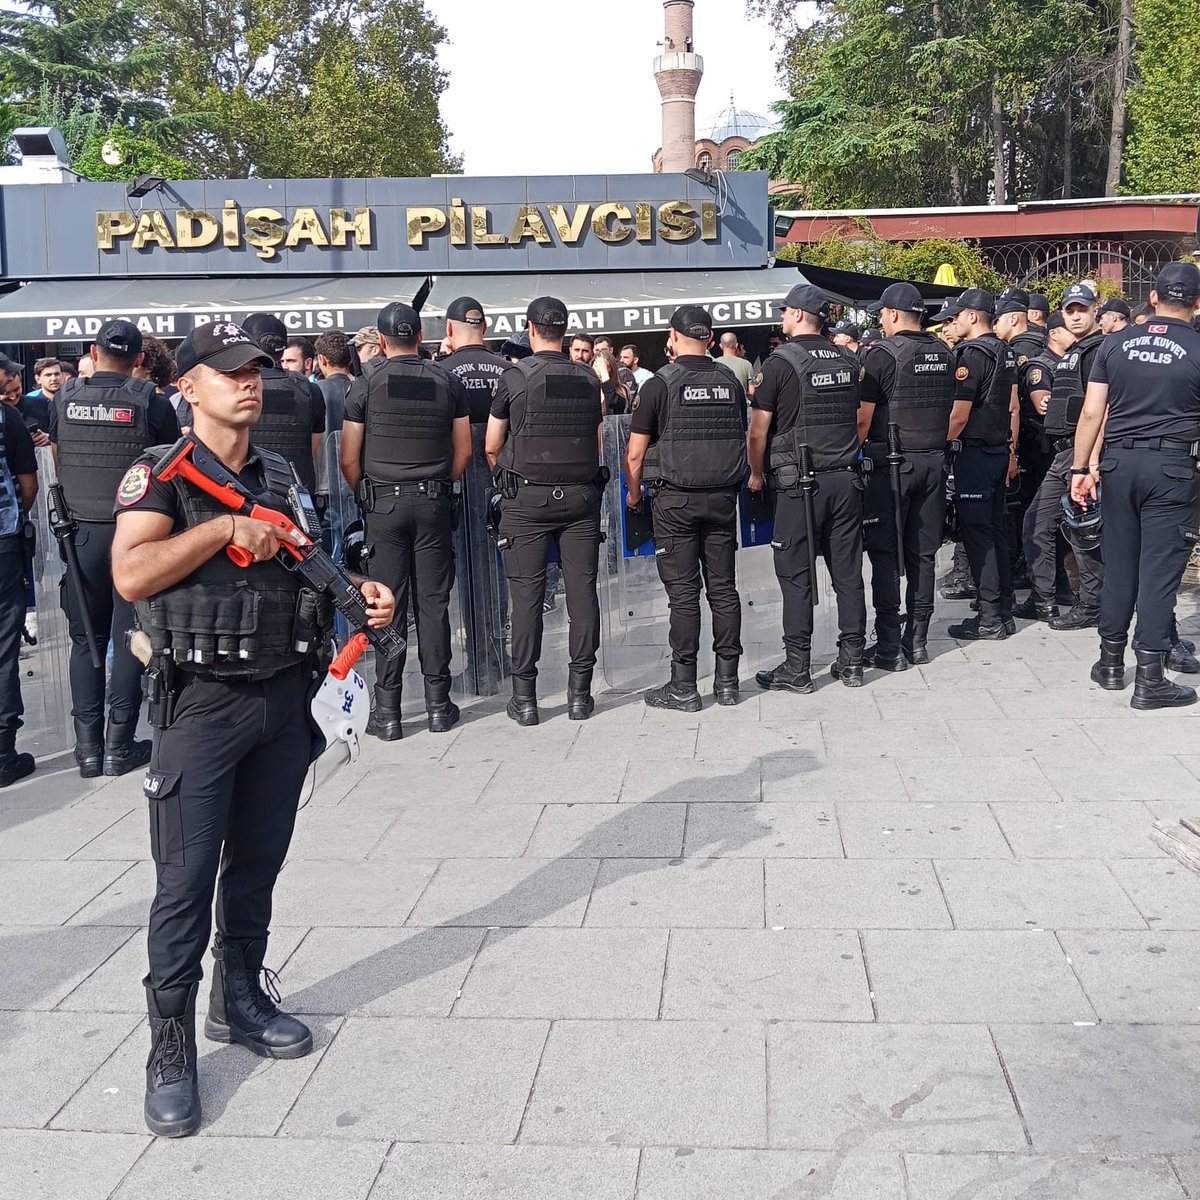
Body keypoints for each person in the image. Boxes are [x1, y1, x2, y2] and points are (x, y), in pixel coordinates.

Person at [111, 320, 394, 1137]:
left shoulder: (276, 470)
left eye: (257, 370)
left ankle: (239, 998)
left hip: (281, 695)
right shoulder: (158, 473)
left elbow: (306, 556)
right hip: (199, 704)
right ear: (189, 387)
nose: (250, 382)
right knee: (184, 880)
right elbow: (128, 573)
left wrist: (362, 591)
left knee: (258, 865)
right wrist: (219, 529)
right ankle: (169, 1045)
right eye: (230, 372)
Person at [51, 320, 180, 776]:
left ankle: (87, 750)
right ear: (140, 359)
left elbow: (60, 457)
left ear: (93, 350)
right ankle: (118, 745)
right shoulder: (152, 402)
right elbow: (169, 468)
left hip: (79, 533)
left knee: (86, 638)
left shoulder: (65, 397)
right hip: (134, 531)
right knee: (130, 637)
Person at [1071, 262, 1200, 709]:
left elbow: (1091, 413)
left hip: (1118, 463)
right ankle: (1150, 677)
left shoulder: (1114, 345)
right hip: (1173, 467)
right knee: (1160, 572)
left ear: (1153, 298)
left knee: (1120, 563)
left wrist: (1080, 469)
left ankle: (1109, 662)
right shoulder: (1198, 347)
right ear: (1198, 303)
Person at [340, 302, 472, 738]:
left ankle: (389, 711)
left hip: (383, 504)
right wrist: (439, 485)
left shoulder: (365, 384)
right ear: (420, 336)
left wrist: (366, 494)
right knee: (433, 604)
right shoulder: (446, 380)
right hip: (433, 501)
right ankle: (439, 705)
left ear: (380, 342)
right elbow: (464, 452)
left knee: (384, 606)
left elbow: (348, 458)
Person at [486, 297, 604, 725]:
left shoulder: (515, 377)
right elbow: (596, 437)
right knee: (582, 593)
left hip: (527, 501)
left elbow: (492, 445)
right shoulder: (590, 378)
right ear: (565, 330)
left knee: (527, 598)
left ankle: (526, 699)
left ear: (531, 329)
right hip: (581, 498)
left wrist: (511, 479)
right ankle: (579, 695)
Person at [625, 306, 746, 709]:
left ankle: (684, 686)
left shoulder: (661, 383)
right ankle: (728, 683)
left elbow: (635, 454)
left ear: (673, 337)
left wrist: (634, 494)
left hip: (675, 500)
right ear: (710, 340)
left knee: (683, 596)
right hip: (723, 498)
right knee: (724, 589)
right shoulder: (729, 379)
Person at [748, 284, 867, 690]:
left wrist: (757, 473)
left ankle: (797, 666)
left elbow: (758, 432)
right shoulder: (849, 360)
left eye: (785, 311)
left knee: (796, 574)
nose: (782, 317)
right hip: (846, 479)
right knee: (848, 572)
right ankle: (852, 660)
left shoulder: (781, 363)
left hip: (800, 483)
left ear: (799, 315)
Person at [858, 281, 955, 667]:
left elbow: (863, 418)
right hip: (934, 460)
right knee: (924, 554)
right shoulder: (945, 353)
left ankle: (887, 647)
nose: (880, 319)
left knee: (884, 554)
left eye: (882, 313)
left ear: (895, 314)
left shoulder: (882, 354)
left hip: (893, 466)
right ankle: (917, 641)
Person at [937, 289, 1019, 640]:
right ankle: (1003, 607)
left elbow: (959, 415)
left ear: (973, 316)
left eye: (957, 316)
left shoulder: (972, 354)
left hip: (974, 453)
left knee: (977, 535)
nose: (953, 321)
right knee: (996, 530)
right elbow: (1012, 405)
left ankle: (989, 618)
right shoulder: (1006, 351)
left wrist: (937, 444)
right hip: (999, 450)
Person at [1025, 282, 1106, 630]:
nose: (1075, 316)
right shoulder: (1078, 350)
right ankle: (1042, 598)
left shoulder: (1100, 351)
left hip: (1081, 455)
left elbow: (1102, 411)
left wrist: (1089, 463)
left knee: (1083, 531)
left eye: (1081, 310)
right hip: (1064, 456)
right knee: (1037, 523)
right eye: (1070, 310)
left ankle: (1092, 604)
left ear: (1095, 312)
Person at [995, 290, 1048, 585]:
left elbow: (1015, 402)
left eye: (999, 318)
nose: (995, 325)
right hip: (1043, 438)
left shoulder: (1018, 350)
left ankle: (1029, 568)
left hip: (1027, 436)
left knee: (1025, 508)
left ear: (1014, 318)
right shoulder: (1044, 340)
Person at [241, 313, 325, 495]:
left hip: (248, 495)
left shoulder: (236, 387)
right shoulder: (309, 390)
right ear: (282, 350)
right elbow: (312, 448)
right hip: (298, 497)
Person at [0, 396, 38, 786]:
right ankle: (2, 753)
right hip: (2, 543)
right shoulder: (6, 416)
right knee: (3, 647)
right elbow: (29, 484)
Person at [440, 296, 508, 425]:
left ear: (449, 328)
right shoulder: (511, 370)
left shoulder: (440, 373)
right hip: (503, 444)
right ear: (485, 326)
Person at [593, 348, 632, 415]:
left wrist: (604, 373)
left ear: (611, 368)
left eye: (605, 366)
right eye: (597, 366)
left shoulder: (622, 390)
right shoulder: (590, 389)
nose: (599, 371)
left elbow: (613, 403)